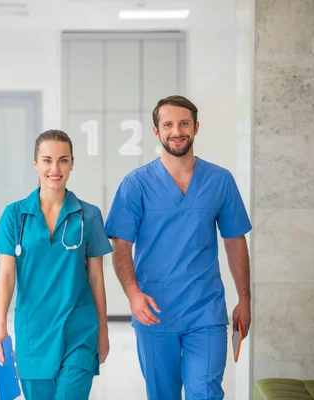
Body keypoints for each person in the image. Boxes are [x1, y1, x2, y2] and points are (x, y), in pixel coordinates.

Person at [105, 95, 252, 400]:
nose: (177, 130)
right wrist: (133, 295)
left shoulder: (220, 181)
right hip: (154, 310)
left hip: (206, 309)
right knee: (163, 394)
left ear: (196, 127)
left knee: (206, 392)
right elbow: (121, 247)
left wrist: (244, 299)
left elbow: (235, 240)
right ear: (156, 132)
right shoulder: (136, 184)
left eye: (184, 123)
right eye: (168, 124)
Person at [0, 130, 111, 400]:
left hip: (78, 330)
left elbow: (96, 278)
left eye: (63, 160)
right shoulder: (14, 215)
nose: (55, 169)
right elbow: (7, 276)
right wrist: (0, 325)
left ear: (72, 163)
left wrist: (102, 330)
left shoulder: (88, 215)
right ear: (35, 163)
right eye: (47, 160)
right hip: (34, 334)